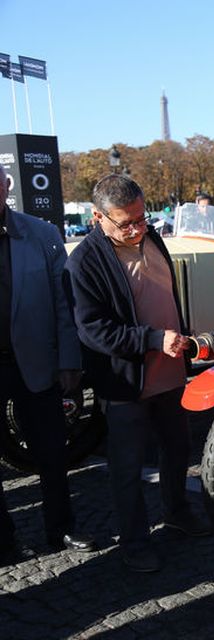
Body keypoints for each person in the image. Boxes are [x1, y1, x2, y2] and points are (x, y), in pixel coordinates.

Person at [65, 174, 210, 573]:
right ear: (97, 218)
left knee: (178, 448)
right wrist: (150, 339)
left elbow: (164, 296)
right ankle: (134, 541)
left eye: (141, 219)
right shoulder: (84, 262)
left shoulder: (152, 237)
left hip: (169, 371)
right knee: (127, 466)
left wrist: (178, 334)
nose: (135, 229)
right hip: (125, 381)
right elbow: (93, 330)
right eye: (124, 223)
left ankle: (178, 511)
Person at [0, 165, 96, 565]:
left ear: (5, 186)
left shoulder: (42, 234)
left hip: (36, 361)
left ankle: (61, 527)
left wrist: (70, 360)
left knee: (52, 450)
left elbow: (64, 305)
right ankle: (3, 540)